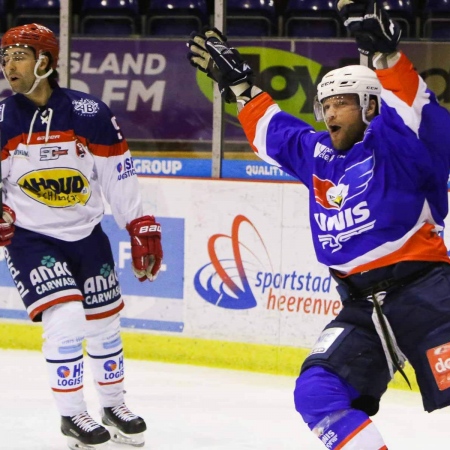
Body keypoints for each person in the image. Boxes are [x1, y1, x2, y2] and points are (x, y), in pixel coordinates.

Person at [187, 1, 450, 448]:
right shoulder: (319, 155)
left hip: (429, 295)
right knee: (316, 393)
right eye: (325, 105)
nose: (330, 114)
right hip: (363, 309)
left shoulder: (400, 144)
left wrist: (387, 58)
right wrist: (240, 85)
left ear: (372, 105)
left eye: (342, 103)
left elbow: (413, 108)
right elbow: (274, 132)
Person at [0, 23, 163, 450]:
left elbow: (118, 175)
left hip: (87, 234)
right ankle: (73, 414)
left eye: (19, 55)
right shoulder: (2, 117)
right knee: (67, 319)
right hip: (31, 239)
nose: (8, 64)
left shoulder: (90, 113)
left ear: (45, 61)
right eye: (5, 56)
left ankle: (113, 405)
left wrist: (140, 225)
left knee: (105, 323)